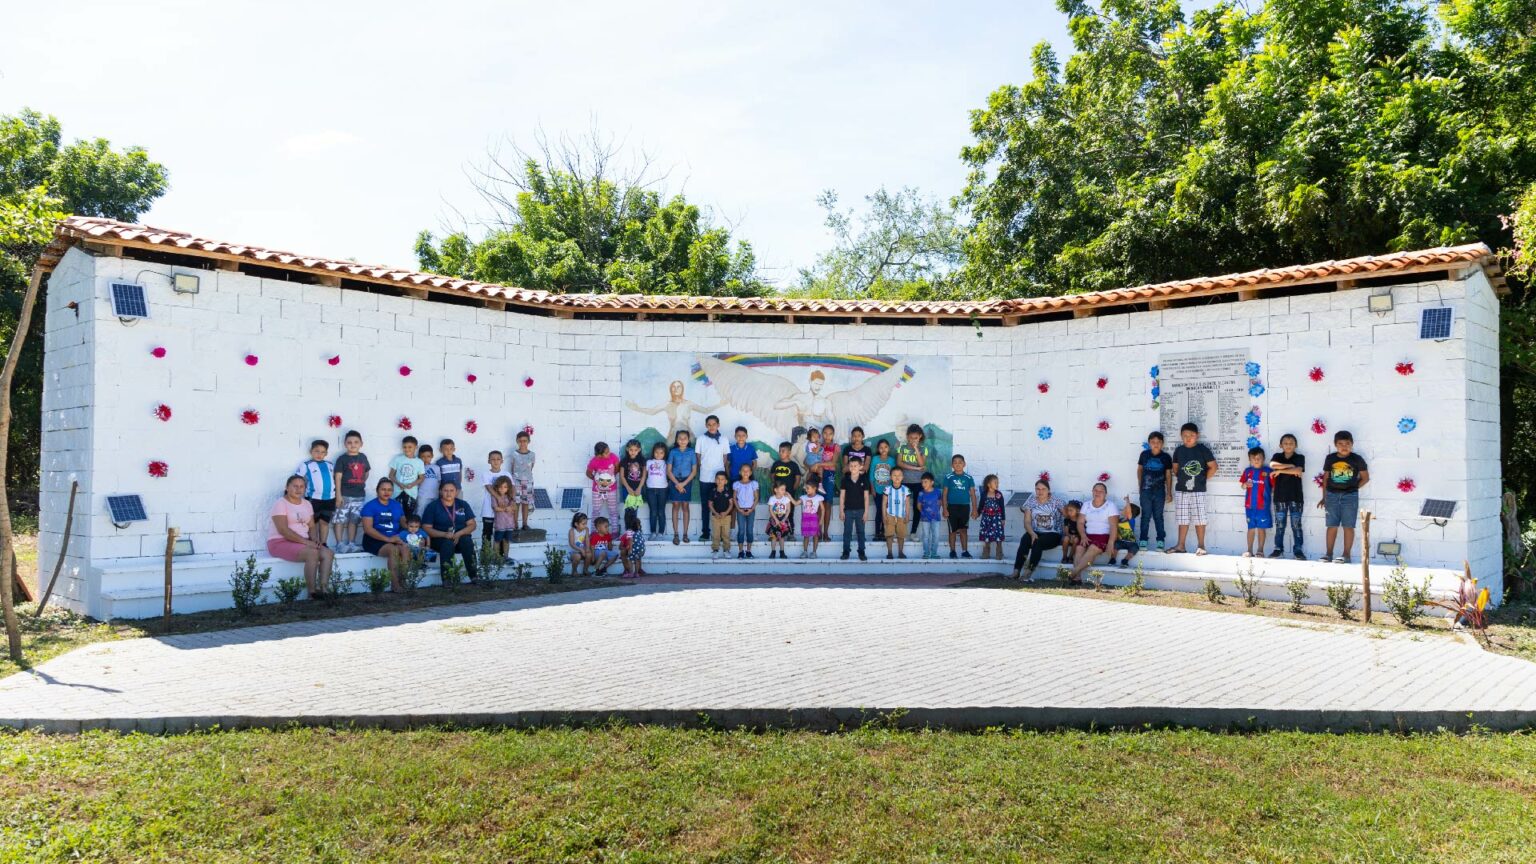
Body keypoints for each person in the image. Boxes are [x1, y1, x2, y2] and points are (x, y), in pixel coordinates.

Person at [268, 474, 335, 597]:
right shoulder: (280, 503)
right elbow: (283, 530)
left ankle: (324, 589)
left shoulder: (307, 504)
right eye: (295, 486)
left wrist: (315, 539)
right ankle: (312, 592)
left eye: (301, 486)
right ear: (287, 487)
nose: (298, 489)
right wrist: (307, 542)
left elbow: (312, 526)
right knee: (312, 553)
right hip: (280, 542)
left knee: (328, 553)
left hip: (302, 542)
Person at [1319, 430, 1370, 564]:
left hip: (1350, 497)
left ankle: (1346, 555)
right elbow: (1325, 478)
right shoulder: (1330, 458)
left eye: (1347, 443)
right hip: (1331, 495)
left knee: (1348, 526)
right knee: (1331, 525)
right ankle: (1328, 554)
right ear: (1335, 445)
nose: (1344, 446)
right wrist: (1324, 497)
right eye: (1340, 444)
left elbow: (1365, 478)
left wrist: (1353, 488)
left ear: (1352, 444)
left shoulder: (1356, 459)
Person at [1168, 422, 1218, 555]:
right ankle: (1180, 545)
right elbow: (1175, 468)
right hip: (1182, 489)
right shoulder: (1179, 450)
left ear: (1197, 436)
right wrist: (1183, 478)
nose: (1188, 438)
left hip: (1198, 490)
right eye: (1185, 435)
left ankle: (1201, 546)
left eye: (1191, 435)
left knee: (1200, 518)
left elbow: (1213, 467)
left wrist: (1202, 479)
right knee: (1182, 518)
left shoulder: (1202, 449)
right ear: (1181, 436)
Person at [421, 481, 478, 583]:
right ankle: (447, 578)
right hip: (439, 539)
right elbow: (426, 528)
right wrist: (444, 534)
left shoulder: (463, 504)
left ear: (456, 492)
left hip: (459, 538)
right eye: (445, 490)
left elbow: (472, 525)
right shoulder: (433, 506)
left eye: (452, 490)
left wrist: (459, 534)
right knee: (447, 543)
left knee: (467, 541)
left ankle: (474, 576)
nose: (449, 493)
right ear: (440, 491)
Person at [359, 477, 409, 591]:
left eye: (389, 490)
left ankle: (403, 580)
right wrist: (388, 539)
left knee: (405, 549)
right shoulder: (370, 506)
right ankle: (395, 585)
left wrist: (415, 534)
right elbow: (368, 529)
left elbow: (404, 523)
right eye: (383, 489)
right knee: (394, 550)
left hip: (394, 538)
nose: (386, 492)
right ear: (377, 490)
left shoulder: (396, 505)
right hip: (374, 539)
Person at [1011, 480, 1065, 581]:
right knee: (1025, 539)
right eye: (1038, 489)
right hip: (1036, 532)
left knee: (1038, 542)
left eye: (1043, 489)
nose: (1040, 491)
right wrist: (1031, 533)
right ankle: (1016, 571)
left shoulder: (1057, 501)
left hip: (1053, 534)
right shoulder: (1031, 502)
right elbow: (1027, 522)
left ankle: (1028, 572)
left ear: (1048, 490)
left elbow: (1068, 515)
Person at [1269, 433, 1307, 560]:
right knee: (1280, 525)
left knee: (1296, 525)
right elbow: (1272, 465)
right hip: (1280, 497)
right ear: (1281, 445)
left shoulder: (1299, 457)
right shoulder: (1277, 456)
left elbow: (1298, 470)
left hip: (1296, 496)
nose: (1288, 445)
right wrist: (1290, 466)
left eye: (1291, 443)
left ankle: (1298, 550)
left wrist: (1280, 471)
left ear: (1295, 445)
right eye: (1285, 443)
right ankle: (1278, 548)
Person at [333, 430, 371, 553]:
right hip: (344, 495)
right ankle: (339, 544)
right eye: (349, 442)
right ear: (345, 444)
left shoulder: (363, 457)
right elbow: (337, 477)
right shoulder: (342, 459)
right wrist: (338, 495)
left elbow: (366, 472)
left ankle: (351, 543)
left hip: (359, 496)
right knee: (340, 520)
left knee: (354, 521)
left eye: (356, 442)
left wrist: (360, 482)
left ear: (361, 443)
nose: (353, 444)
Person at [1071, 483, 1119, 581]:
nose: (1098, 493)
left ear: (1105, 493)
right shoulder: (1086, 505)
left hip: (1103, 536)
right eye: (1095, 490)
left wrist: (1111, 543)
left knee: (1092, 548)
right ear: (1092, 492)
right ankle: (1077, 578)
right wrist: (1083, 536)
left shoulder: (1110, 505)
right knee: (1079, 548)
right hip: (1087, 535)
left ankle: (1074, 572)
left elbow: (1113, 526)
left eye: (1101, 491)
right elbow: (1080, 522)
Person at [295, 439, 337, 548]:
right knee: (314, 523)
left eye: (323, 452)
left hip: (330, 498)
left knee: (325, 522)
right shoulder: (306, 465)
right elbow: (298, 479)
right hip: (314, 499)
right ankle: (314, 543)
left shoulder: (330, 464)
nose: (319, 454)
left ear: (326, 453)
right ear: (311, 451)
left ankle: (323, 544)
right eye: (317, 451)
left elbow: (334, 479)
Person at [1136, 432, 1174, 551]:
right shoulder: (1144, 455)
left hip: (1159, 492)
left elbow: (1168, 475)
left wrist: (1169, 492)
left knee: (1158, 516)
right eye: (1153, 442)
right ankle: (1143, 540)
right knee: (1145, 516)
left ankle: (1160, 541)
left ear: (1162, 443)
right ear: (1149, 443)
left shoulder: (1166, 457)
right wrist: (1140, 485)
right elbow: (1139, 470)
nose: (1156, 444)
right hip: (1145, 491)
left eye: (1158, 442)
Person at [696, 415, 728, 543]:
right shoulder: (701, 439)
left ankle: (719, 534)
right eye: (709, 424)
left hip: (719, 478)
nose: (711, 426)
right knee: (705, 506)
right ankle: (705, 532)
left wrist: (722, 470)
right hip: (705, 477)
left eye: (714, 424)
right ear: (706, 426)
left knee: (720, 506)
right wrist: (703, 467)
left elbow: (725, 456)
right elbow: (698, 455)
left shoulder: (724, 439)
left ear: (718, 425)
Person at [1240, 446, 1274, 557]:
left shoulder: (1268, 472)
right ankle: (1249, 550)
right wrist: (1245, 485)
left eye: (1259, 458)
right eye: (1253, 458)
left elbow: (1274, 486)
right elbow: (1242, 485)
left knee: (1261, 529)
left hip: (1263, 507)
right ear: (1249, 459)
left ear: (1263, 459)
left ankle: (1260, 550)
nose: (1256, 460)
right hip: (1249, 506)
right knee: (1250, 528)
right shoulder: (1247, 471)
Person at [896, 424, 930, 533]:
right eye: (910, 438)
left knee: (917, 507)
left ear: (920, 436)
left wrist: (916, 448)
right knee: (900, 506)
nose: (912, 440)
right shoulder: (902, 447)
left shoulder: (923, 449)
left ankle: (913, 532)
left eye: (915, 438)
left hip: (918, 482)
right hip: (904, 481)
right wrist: (915, 468)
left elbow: (921, 463)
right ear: (907, 437)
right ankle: (900, 531)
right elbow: (899, 463)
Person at [943, 455, 978, 559]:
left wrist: (974, 509)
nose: (957, 464)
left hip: (964, 507)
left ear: (964, 464)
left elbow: (972, 494)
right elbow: (944, 494)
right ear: (952, 465)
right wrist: (944, 509)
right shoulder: (948, 477)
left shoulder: (968, 478)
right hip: (952, 507)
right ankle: (952, 551)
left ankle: (964, 551)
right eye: (955, 462)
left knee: (963, 530)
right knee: (952, 530)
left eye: (960, 462)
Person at [666, 429, 698, 544]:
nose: (682, 440)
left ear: (688, 440)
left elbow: (694, 471)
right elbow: (669, 470)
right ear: (676, 440)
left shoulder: (691, 452)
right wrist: (677, 484)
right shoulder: (673, 452)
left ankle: (685, 534)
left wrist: (683, 484)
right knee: (675, 505)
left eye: (685, 438)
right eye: (680, 438)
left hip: (687, 481)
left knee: (685, 506)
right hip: (674, 481)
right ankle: (676, 534)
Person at [840, 457, 871, 561]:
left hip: (861, 510)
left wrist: (866, 512)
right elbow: (842, 496)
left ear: (860, 466)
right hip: (848, 510)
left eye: (855, 466)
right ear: (849, 466)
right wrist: (841, 510)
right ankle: (845, 551)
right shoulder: (845, 479)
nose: (853, 467)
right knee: (847, 531)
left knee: (861, 532)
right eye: (851, 465)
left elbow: (866, 497)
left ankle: (861, 551)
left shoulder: (864, 480)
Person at [388, 435, 426, 519]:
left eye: (410, 447)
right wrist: (399, 483)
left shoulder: (419, 462)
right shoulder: (398, 459)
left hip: (411, 493)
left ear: (416, 447)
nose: (407, 449)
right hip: (397, 492)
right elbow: (391, 475)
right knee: (397, 514)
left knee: (409, 516)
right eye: (404, 447)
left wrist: (412, 484)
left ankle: (407, 532)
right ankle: (397, 532)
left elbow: (422, 477)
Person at [479, 449, 512, 543]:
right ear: (489, 461)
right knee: (487, 532)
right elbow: (489, 488)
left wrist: (511, 503)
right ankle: (486, 556)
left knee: (501, 533)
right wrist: (498, 498)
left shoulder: (506, 474)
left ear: (502, 461)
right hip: (488, 509)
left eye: (498, 459)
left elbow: (512, 488)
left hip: (504, 509)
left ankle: (501, 557)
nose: (495, 461)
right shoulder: (486, 474)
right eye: (493, 459)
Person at [586, 442, 620, 531]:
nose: (609, 453)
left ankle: (615, 531)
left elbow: (617, 467)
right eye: (606, 452)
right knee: (596, 511)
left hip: (611, 489)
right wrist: (596, 480)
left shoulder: (613, 457)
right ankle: (593, 532)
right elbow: (588, 473)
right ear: (599, 455)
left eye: (609, 450)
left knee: (613, 511)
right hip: (597, 490)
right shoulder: (594, 461)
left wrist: (611, 478)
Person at [508, 432, 537, 533]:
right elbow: (512, 468)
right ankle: (515, 524)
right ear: (517, 441)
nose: (522, 443)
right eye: (520, 441)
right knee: (516, 502)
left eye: (524, 441)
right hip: (516, 481)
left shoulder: (532, 455)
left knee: (526, 503)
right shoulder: (514, 454)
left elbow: (531, 467)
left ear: (528, 441)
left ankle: (525, 524)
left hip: (528, 481)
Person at [870, 439, 896, 543]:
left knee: (886, 512)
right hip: (877, 490)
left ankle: (884, 532)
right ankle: (877, 533)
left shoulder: (892, 460)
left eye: (885, 447)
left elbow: (894, 475)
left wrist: (893, 490)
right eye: (881, 447)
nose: (883, 449)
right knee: (879, 512)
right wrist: (872, 488)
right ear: (878, 449)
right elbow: (871, 474)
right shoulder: (875, 459)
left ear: (888, 448)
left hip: (888, 492)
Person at [619, 438, 647, 531]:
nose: (633, 452)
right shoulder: (624, 461)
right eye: (631, 450)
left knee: (635, 511)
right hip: (627, 489)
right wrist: (628, 488)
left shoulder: (642, 460)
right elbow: (622, 476)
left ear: (639, 450)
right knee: (628, 511)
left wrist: (639, 488)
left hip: (638, 489)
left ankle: (634, 532)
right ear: (627, 449)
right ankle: (628, 532)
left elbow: (643, 476)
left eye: (635, 450)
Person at [883, 466, 911, 559]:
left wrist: (907, 515)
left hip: (901, 516)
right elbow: (884, 503)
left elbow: (907, 503)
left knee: (901, 535)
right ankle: (889, 553)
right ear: (891, 477)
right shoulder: (887, 489)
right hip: (890, 514)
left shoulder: (905, 490)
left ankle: (900, 552)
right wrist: (884, 516)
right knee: (889, 534)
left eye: (899, 475)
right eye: (894, 475)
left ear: (903, 477)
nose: (897, 477)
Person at [733, 463, 759, 558]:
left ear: (751, 472)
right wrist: (738, 509)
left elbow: (756, 498)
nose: (745, 472)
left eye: (748, 470)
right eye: (743, 470)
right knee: (741, 530)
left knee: (749, 530)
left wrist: (751, 509)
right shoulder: (736, 484)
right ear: (740, 472)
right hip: (740, 511)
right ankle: (740, 551)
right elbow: (734, 498)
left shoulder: (753, 484)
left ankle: (748, 551)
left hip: (751, 510)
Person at [977, 474, 1006, 560]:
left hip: (996, 518)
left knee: (998, 534)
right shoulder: (984, 494)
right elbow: (981, 505)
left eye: (998, 483)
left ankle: (999, 553)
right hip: (986, 518)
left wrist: (1003, 518)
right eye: (995, 482)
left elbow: (1002, 507)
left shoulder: (998, 494)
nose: (997, 484)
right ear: (988, 484)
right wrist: (977, 513)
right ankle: (986, 552)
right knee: (986, 534)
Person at [819, 424, 840, 541]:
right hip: (819, 476)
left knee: (828, 504)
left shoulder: (836, 447)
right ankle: (818, 532)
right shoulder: (818, 446)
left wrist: (819, 464)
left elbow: (833, 463)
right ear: (822, 434)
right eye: (825, 433)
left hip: (830, 476)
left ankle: (825, 532)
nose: (827, 436)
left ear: (833, 435)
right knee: (818, 504)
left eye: (830, 433)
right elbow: (811, 460)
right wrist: (815, 466)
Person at [643, 442, 669, 539]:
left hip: (663, 489)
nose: (658, 454)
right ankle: (653, 532)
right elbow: (644, 475)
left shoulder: (666, 463)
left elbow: (669, 474)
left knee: (661, 512)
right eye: (656, 452)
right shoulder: (649, 462)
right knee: (653, 511)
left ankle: (661, 532)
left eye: (661, 453)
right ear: (653, 452)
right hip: (650, 489)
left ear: (664, 453)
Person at [707, 471, 734, 560]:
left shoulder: (728, 491)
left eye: (722, 479)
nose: (720, 481)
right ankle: (715, 550)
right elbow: (710, 504)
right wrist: (715, 513)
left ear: (725, 481)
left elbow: (731, 504)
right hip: (715, 517)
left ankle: (726, 550)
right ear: (715, 480)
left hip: (727, 517)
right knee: (716, 535)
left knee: (726, 534)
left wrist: (726, 513)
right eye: (718, 479)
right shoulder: (712, 491)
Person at [916, 472, 944, 559]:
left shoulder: (938, 492)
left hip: (936, 518)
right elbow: (919, 505)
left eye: (926, 482)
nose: (923, 484)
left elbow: (940, 502)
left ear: (932, 482)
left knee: (936, 536)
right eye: (922, 482)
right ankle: (926, 553)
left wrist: (936, 511)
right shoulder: (921, 493)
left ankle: (934, 553)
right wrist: (923, 513)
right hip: (925, 519)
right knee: (926, 536)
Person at [769, 442, 803, 511]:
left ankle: (790, 521)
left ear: (789, 452)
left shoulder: (793, 465)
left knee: (789, 510)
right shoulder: (776, 464)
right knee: (777, 509)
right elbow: (772, 475)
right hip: (778, 492)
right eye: (780, 451)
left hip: (789, 492)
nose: (780, 453)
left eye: (783, 451)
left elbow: (798, 478)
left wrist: (793, 489)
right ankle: (777, 521)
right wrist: (774, 485)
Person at [489, 475, 518, 556]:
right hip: (500, 524)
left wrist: (512, 507)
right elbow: (495, 508)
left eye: (505, 487)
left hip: (509, 524)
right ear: (497, 487)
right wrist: (505, 509)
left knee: (507, 541)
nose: (502, 489)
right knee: (497, 541)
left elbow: (514, 507)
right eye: (500, 487)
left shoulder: (510, 497)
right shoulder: (494, 497)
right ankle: (496, 558)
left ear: (508, 488)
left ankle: (506, 557)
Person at [766, 480, 794, 559]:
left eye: (784, 489)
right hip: (774, 519)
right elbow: (771, 510)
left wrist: (784, 519)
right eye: (782, 489)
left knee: (782, 537)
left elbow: (788, 509)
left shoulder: (786, 499)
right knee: (774, 537)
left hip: (783, 519)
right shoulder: (772, 498)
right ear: (776, 490)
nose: (784, 491)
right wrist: (776, 520)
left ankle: (782, 552)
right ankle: (773, 552)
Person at [1110, 497, 1141, 567]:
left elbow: (1129, 512)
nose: (1123, 509)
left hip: (1131, 542)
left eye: (1125, 508)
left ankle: (1125, 560)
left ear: (1129, 511)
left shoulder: (1131, 520)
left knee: (1135, 548)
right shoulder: (1120, 520)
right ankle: (1112, 558)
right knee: (1115, 545)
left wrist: (1127, 501)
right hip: (1121, 541)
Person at [799, 477, 824, 558]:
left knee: (815, 535)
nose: (806, 490)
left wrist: (821, 520)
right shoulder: (803, 497)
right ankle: (805, 551)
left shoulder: (818, 497)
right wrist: (789, 496)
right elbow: (796, 503)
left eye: (808, 488)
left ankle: (814, 552)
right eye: (806, 488)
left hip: (814, 518)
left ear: (814, 488)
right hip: (805, 518)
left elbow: (823, 510)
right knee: (806, 536)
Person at [727, 426, 758, 491]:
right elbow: (727, 464)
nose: (741, 437)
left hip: (747, 478)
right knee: (734, 497)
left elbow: (754, 463)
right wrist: (728, 475)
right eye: (738, 435)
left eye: (743, 435)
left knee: (748, 496)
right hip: (734, 477)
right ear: (735, 436)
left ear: (747, 436)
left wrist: (750, 474)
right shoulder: (731, 449)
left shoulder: (751, 448)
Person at [415, 444, 440, 517]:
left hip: (435, 495)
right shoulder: (418, 467)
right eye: (423, 456)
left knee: (433, 512)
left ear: (432, 456)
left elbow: (439, 481)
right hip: (422, 495)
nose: (425, 458)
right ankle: (418, 526)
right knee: (420, 511)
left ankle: (430, 527)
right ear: (419, 457)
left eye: (428, 456)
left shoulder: (436, 467)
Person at [620, 509, 646, 579]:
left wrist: (629, 549)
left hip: (634, 548)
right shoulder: (639, 530)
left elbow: (630, 540)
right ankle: (637, 573)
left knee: (629, 559)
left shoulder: (629, 531)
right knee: (637, 559)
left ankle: (631, 573)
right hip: (642, 549)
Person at [568, 512, 592, 577]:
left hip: (582, 551)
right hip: (573, 552)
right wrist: (581, 550)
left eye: (586, 523)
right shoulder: (572, 531)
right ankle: (574, 571)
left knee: (589, 554)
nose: (585, 525)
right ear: (576, 524)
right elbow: (572, 544)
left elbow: (587, 539)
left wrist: (587, 549)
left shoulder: (586, 530)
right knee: (577, 556)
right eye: (583, 524)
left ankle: (585, 570)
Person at [1061, 500, 1083, 565]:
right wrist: (1070, 536)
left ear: (1077, 511)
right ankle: (1064, 557)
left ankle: (1070, 557)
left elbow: (1081, 531)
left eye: (1071, 510)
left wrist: (1075, 536)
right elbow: (1066, 532)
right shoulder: (1067, 520)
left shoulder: (1080, 520)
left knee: (1076, 540)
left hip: (1077, 537)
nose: (1069, 512)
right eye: (1068, 510)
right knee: (1066, 539)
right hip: (1069, 536)